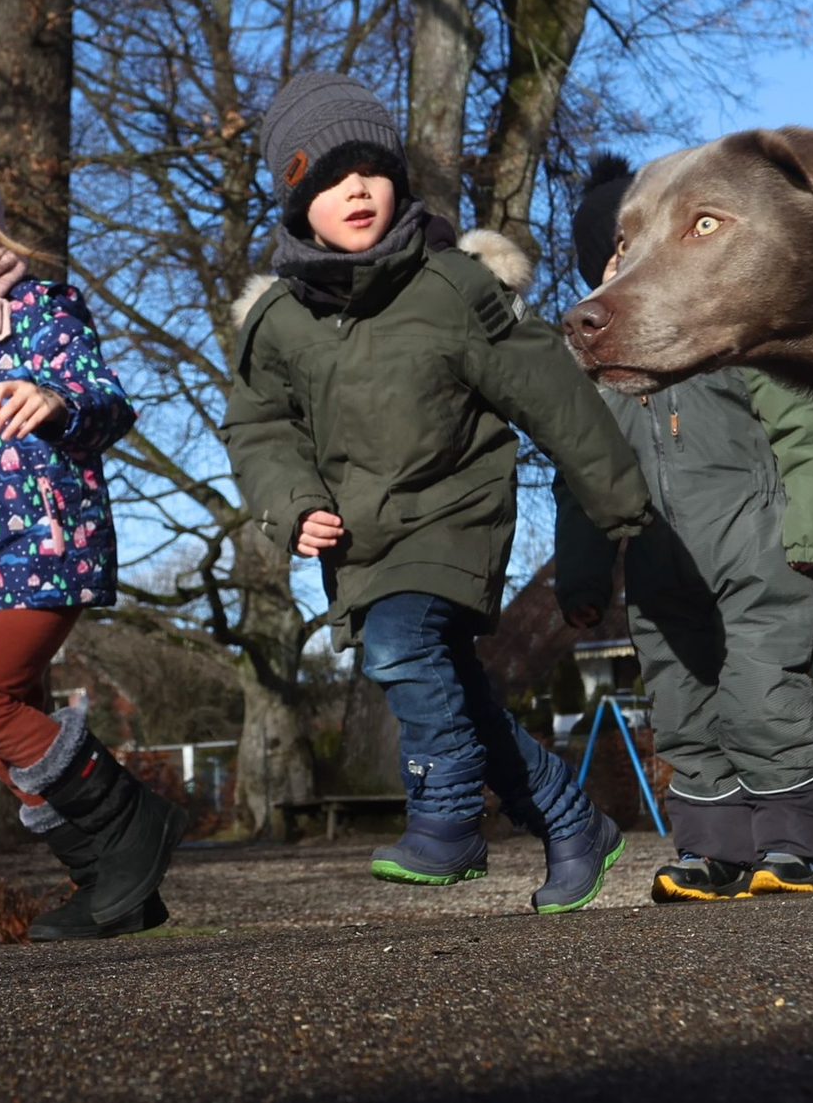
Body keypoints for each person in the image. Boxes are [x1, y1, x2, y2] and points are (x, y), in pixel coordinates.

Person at [221, 73, 652, 913]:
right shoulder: (276, 323)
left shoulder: (452, 286)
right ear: (295, 198)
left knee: (401, 648)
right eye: (329, 177)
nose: (357, 188)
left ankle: (448, 818)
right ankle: (571, 820)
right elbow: (259, 430)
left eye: (374, 170)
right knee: (457, 694)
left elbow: (549, 390)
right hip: (361, 538)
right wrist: (290, 503)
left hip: (456, 515)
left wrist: (616, 497)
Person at [555, 155, 813, 903]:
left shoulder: (728, 325)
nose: (630, 266)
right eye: (614, 256)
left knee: (763, 691)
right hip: (659, 569)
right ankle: (714, 849)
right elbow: (582, 482)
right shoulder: (593, 375)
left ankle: (798, 842)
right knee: (682, 704)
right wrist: (583, 578)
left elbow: (802, 419)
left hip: (758, 544)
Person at [0, 154, 185, 940]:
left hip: (43, 539)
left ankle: (133, 823)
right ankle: (111, 881)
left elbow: (107, 401)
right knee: (8, 713)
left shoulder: (37, 306)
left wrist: (54, 398)